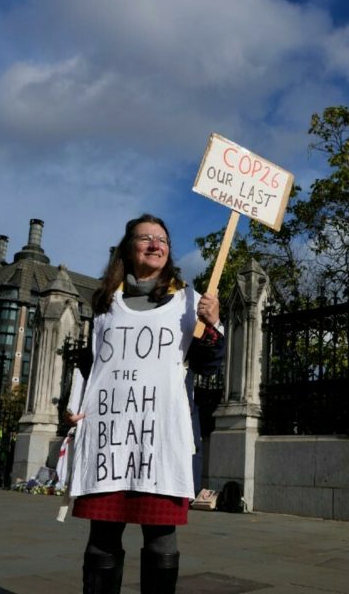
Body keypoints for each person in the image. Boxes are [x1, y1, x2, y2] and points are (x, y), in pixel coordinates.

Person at [66, 214, 224, 594]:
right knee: (102, 539)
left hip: (161, 440)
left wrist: (212, 326)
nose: (155, 245)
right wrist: (71, 407)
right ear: (128, 248)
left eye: (162, 239)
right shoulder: (105, 303)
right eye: (145, 238)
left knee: (161, 539)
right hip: (111, 439)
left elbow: (207, 364)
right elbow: (90, 366)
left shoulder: (187, 300)